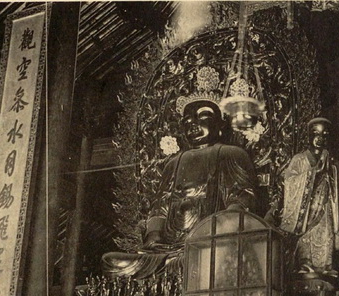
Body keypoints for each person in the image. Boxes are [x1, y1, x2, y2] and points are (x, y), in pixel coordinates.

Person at [102, 99, 259, 278]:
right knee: (111, 261)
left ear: (220, 123)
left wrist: (221, 231)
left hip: (211, 244)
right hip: (168, 250)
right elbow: (160, 208)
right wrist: (154, 236)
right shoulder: (173, 164)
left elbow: (242, 197)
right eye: (187, 121)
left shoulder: (231, 153)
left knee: (220, 257)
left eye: (202, 116)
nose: (193, 124)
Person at [279, 118, 339, 277]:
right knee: (307, 235)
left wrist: (332, 172)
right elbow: (289, 181)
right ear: (308, 136)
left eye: (324, 134)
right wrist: (313, 173)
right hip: (306, 210)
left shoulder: (332, 161)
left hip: (325, 206)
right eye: (315, 133)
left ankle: (325, 265)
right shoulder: (299, 159)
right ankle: (305, 263)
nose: (319, 138)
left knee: (325, 232)